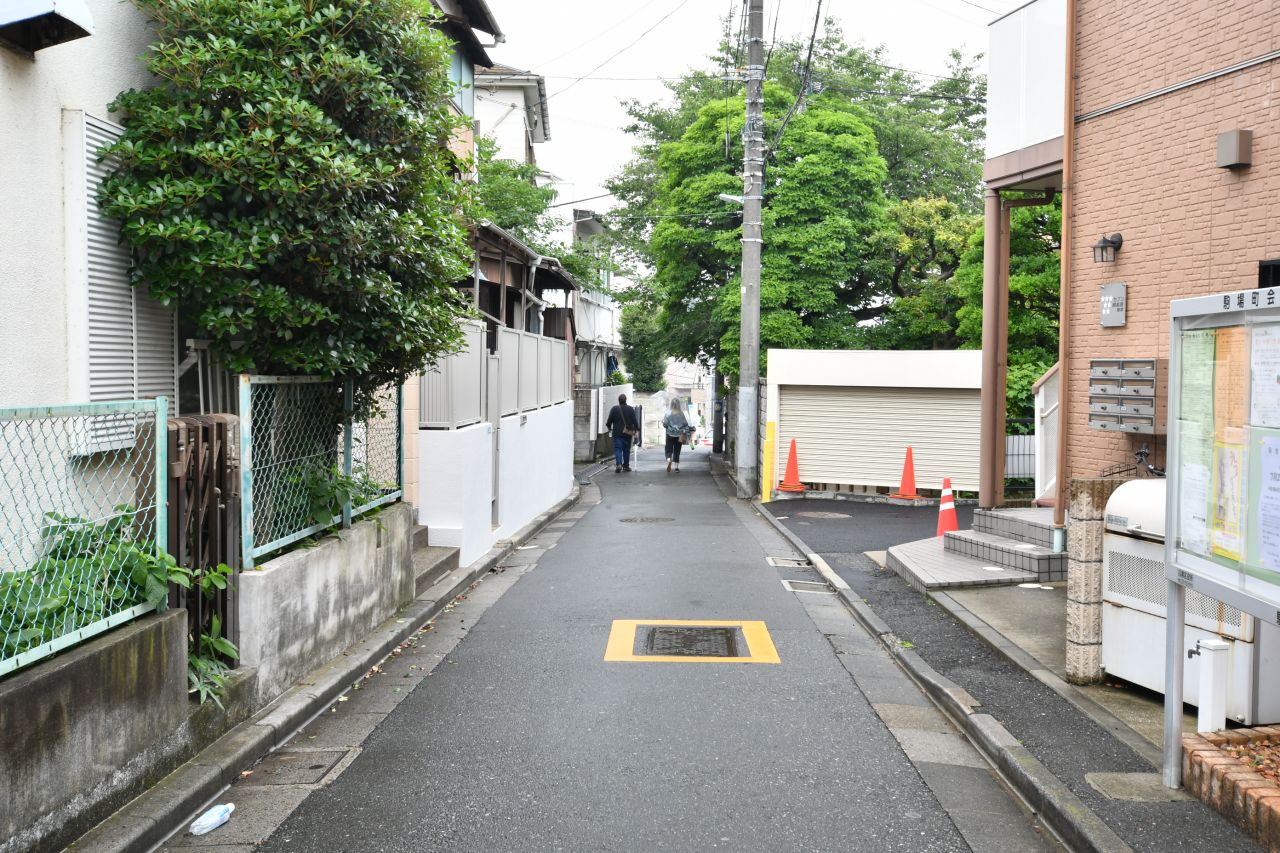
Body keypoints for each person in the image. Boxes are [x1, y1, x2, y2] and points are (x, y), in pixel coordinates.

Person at [605, 393, 639, 473]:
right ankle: (626, 466)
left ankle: (619, 464)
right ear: (625, 400)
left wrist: (610, 428)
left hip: (617, 433)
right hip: (627, 433)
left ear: (619, 400)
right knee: (626, 450)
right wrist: (636, 430)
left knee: (618, 449)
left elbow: (609, 421)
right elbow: (635, 421)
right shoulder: (630, 409)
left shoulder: (614, 409)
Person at [662, 398, 692, 472]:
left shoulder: (668, 413)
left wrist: (664, 423)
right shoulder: (681, 414)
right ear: (679, 405)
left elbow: (665, 424)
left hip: (669, 434)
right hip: (679, 435)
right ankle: (676, 468)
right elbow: (685, 425)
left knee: (668, 449)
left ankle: (669, 459)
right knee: (677, 451)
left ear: (671, 404)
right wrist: (688, 435)